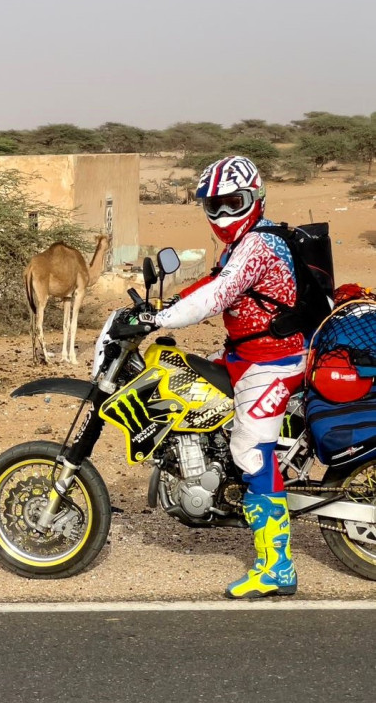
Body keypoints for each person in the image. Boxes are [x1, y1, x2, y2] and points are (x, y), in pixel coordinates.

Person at [154, 155, 305, 599]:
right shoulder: (240, 244)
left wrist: (159, 319)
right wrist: (155, 306)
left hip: (275, 361)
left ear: (255, 198)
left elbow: (218, 294)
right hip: (245, 356)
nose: (221, 215)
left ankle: (277, 567)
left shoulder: (259, 245)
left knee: (251, 450)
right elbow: (212, 281)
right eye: (212, 206)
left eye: (231, 203)